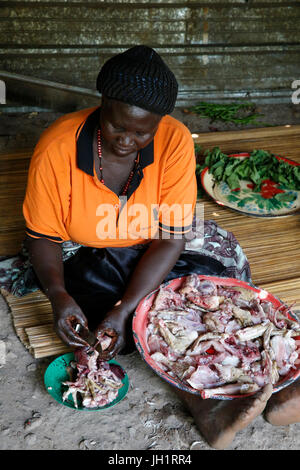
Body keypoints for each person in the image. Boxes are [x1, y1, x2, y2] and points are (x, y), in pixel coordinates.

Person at [2, 45, 299, 448]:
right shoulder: (57, 148)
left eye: (142, 132)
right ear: (102, 106)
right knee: (94, 303)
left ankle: (274, 383)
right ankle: (204, 406)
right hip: (88, 250)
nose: (127, 141)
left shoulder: (175, 140)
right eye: (116, 127)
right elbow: (42, 236)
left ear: (159, 123)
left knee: (205, 294)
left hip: (158, 244)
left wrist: (127, 308)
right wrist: (57, 296)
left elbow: (173, 234)